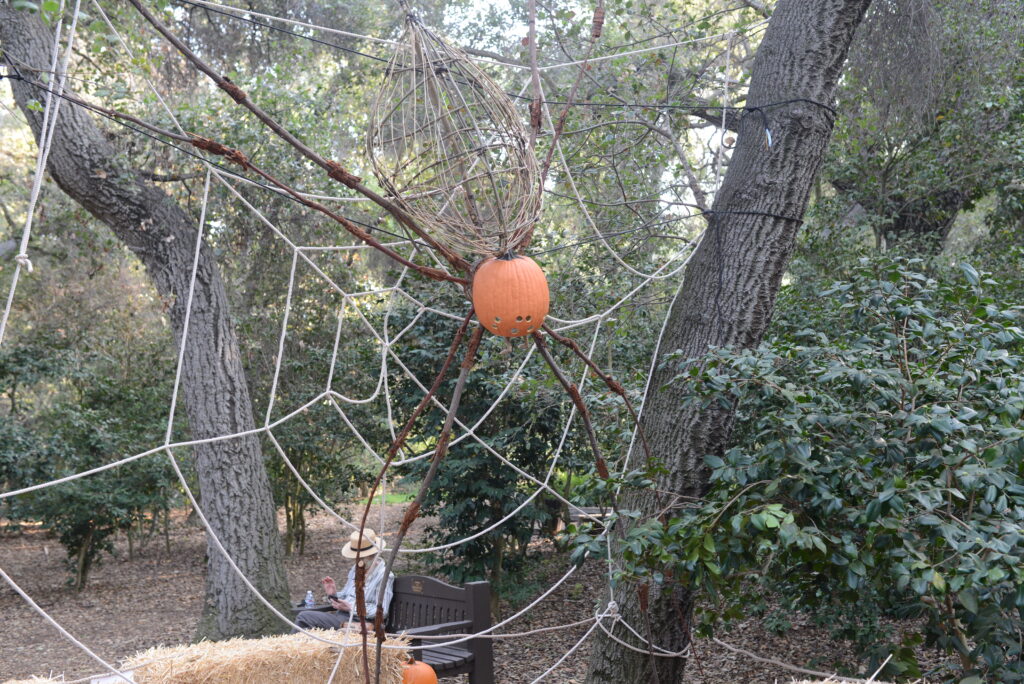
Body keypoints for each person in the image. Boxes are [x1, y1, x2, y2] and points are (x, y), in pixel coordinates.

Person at [295, 528, 395, 631]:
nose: (356, 560)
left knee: (304, 617)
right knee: (305, 620)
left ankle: (286, 647)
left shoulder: (384, 576)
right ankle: (293, 646)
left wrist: (352, 608)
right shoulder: (355, 570)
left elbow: (382, 612)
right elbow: (347, 596)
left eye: (360, 557)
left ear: (371, 555)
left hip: (361, 623)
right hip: (342, 617)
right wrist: (333, 594)